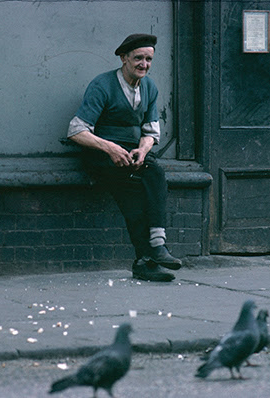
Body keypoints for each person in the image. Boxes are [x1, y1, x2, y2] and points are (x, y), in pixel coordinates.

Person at [67, 33, 182, 282]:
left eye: (149, 59)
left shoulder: (149, 87)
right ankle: (152, 253)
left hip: (131, 154)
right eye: (138, 58)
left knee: (151, 173)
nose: (144, 64)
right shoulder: (102, 85)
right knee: (136, 186)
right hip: (100, 154)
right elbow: (77, 130)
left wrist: (143, 150)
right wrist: (109, 148)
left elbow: (150, 132)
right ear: (123, 58)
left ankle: (150, 254)